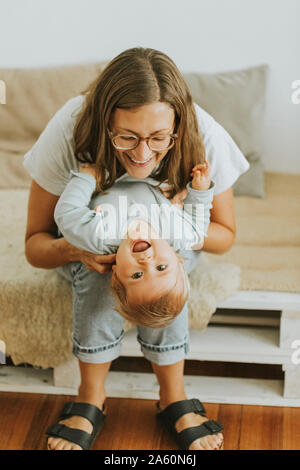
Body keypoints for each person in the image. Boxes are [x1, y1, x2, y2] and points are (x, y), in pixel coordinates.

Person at [23, 47, 249, 451]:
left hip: (172, 243)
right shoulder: (71, 127)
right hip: (89, 250)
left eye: (159, 138)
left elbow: (223, 235)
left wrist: (173, 244)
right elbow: (36, 246)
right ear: (103, 122)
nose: (143, 155)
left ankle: (173, 395)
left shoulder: (204, 135)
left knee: (164, 290)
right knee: (101, 280)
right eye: (126, 136)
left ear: (178, 127)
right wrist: (78, 249)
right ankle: (91, 397)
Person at [53, 159, 214, 328]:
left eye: (137, 275)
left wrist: (88, 177)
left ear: (115, 275)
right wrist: (199, 190)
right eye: (161, 268)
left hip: (108, 169)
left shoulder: (101, 237)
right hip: (150, 167)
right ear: (178, 259)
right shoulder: (178, 233)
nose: (146, 262)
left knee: (93, 281)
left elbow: (67, 215)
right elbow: (198, 226)